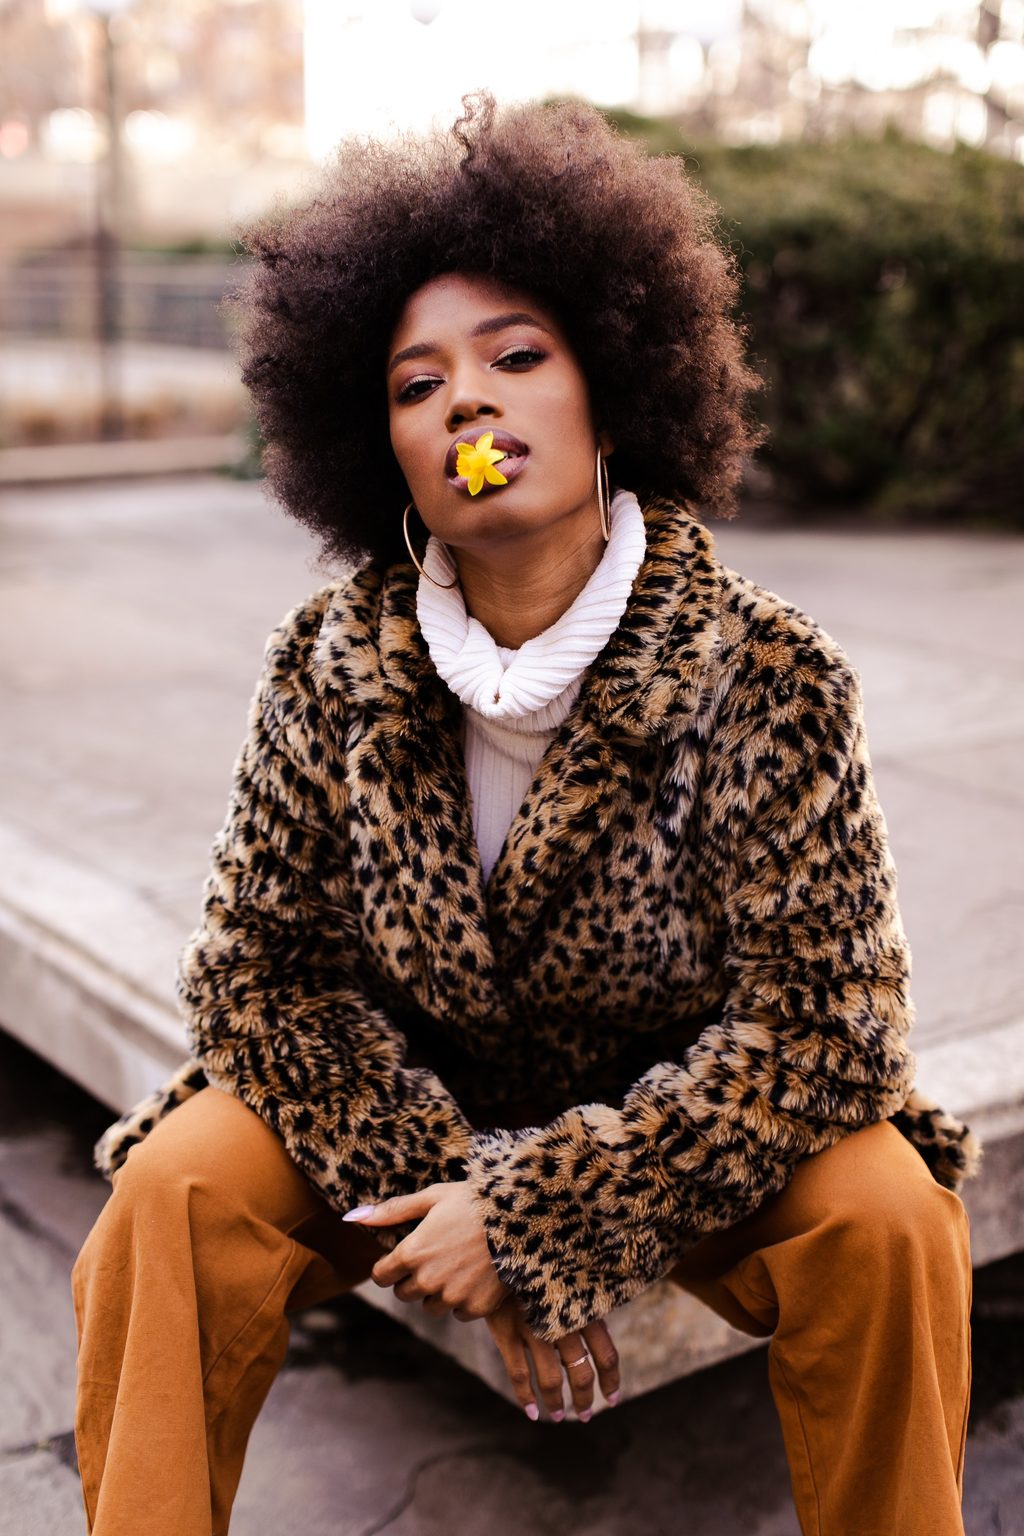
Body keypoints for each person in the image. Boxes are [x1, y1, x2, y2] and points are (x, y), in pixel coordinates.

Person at [72, 93, 983, 1536]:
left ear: (610, 396)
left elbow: (830, 1027)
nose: (467, 405)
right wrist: (456, 1201)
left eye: (515, 358)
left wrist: (548, 1214)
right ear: (379, 445)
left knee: (889, 1216)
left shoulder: (766, 672)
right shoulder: (326, 662)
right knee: (172, 1195)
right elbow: (259, 978)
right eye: (416, 384)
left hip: (670, 1113)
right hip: (403, 1100)